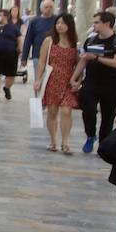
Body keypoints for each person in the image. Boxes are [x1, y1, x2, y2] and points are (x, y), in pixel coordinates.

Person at [72, 11, 116, 153]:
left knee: (108, 117)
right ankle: (91, 135)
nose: (94, 25)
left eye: (97, 22)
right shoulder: (91, 40)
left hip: (112, 84)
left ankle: (104, 144)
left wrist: (96, 58)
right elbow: (84, 60)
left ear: (107, 23)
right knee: (88, 110)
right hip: (91, 82)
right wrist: (75, 77)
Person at [35, 13, 80, 154]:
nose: (59, 26)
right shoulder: (49, 41)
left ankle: (65, 142)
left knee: (67, 111)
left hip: (68, 80)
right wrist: (38, 79)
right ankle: (53, 140)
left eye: (63, 23)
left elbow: (79, 64)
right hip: (52, 79)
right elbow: (42, 62)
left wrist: (78, 80)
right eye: (57, 23)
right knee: (52, 112)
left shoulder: (75, 43)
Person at [21, 0, 57, 70]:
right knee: (39, 78)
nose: (49, 9)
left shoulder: (57, 20)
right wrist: (24, 57)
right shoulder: (35, 21)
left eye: (51, 7)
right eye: (46, 7)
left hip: (54, 55)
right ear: (41, 9)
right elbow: (28, 40)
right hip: (38, 55)